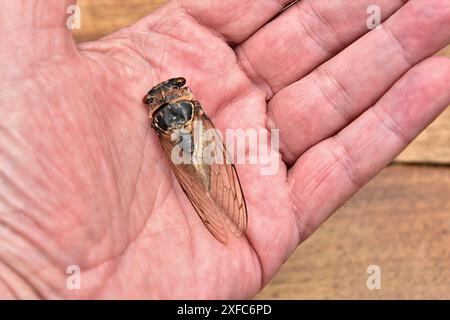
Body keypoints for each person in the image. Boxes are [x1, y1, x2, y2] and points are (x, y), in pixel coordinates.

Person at [0, 0, 448, 299]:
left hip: (191, 144)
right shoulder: (188, 111)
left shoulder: (164, 117)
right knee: (205, 170)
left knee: (210, 168)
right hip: (195, 142)